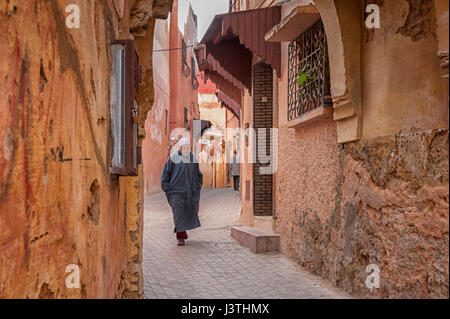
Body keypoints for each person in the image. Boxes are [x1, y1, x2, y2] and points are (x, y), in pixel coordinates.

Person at [160, 137, 203, 246]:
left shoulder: (192, 158)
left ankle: (182, 231)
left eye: (187, 147)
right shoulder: (173, 157)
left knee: (188, 213)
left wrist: (197, 186)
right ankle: (180, 237)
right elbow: (165, 174)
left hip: (189, 193)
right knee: (178, 214)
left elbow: (198, 174)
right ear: (180, 147)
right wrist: (167, 188)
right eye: (184, 147)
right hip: (175, 193)